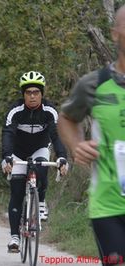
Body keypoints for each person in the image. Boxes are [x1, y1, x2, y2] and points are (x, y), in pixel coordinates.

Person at [57, 6, 125, 265]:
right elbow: (66, 118)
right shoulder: (94, 83)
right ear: (115, 34)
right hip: (108, 204)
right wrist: (76, 146)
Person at [1, 71, 68, 253]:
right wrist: (6, 156)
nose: (32, 96)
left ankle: (41, 202)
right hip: (17, 151)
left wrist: (62, 157)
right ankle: (14, 237)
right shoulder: (15, 111)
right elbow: (8, 134)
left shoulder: (49, 111)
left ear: (42, 94)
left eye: (36, 92)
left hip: (39, 148)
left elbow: (56, 135)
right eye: (28, 92)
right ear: (23, 94)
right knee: (16, 192)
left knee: (41, 168)